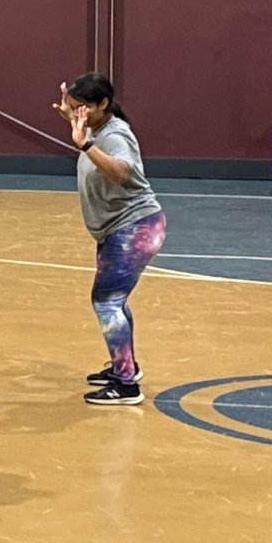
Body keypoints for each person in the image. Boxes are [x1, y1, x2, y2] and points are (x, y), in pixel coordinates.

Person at [57, 73, 166, 405]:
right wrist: (72, 115)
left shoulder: (115, 134)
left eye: (83, 108)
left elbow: (121, 173)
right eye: (73, 108)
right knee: (114, 301)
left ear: (102, 104)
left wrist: (84, 144)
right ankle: (125, 366)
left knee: (106, 302)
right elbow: (80, 120)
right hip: (119, 230)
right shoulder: (96, 125)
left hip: (135, 229)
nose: (78, 115)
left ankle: (126, 385)